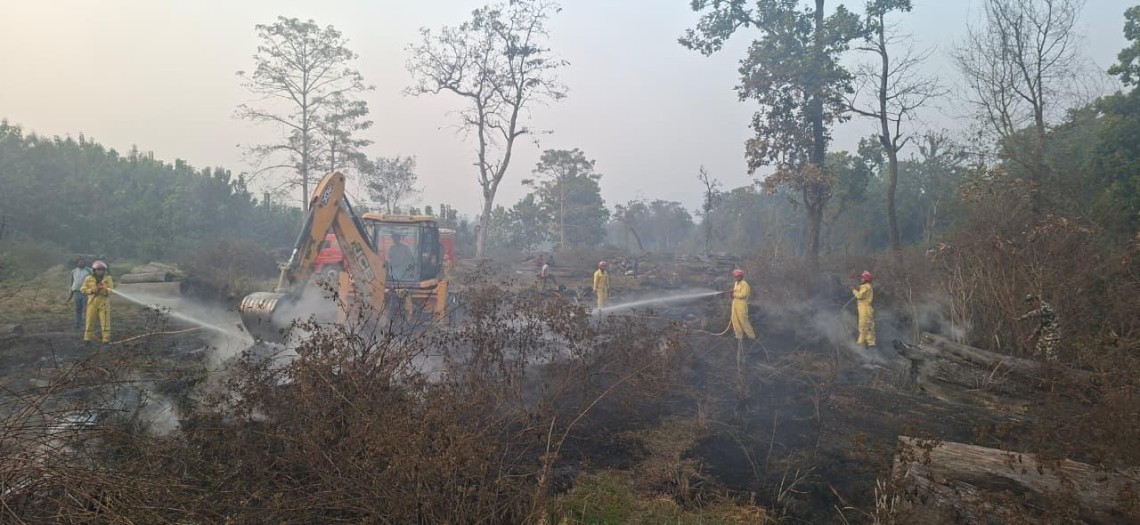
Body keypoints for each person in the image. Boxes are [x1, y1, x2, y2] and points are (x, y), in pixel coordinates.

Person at [80, 260, 113, 345]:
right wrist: (91, 290)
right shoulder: (88, 278)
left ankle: (106, 340)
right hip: (92, 302)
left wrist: (105, 289)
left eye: (102, 270)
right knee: (90, 321)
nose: (100, 271)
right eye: (98, 270)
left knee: (105, 321)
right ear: (94, 270)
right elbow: (82, 289)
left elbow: (111, 290)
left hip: (104, 302)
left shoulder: (108, 278)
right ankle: (87, 339)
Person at [1019, 294, 1060, 361]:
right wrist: (1032, 335)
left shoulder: (1046, 307)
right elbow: (1042, 324)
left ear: (1036, 300)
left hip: (1052, 337)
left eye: (1031, 303)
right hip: (1044, 336)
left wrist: (1023, 317)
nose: (1031, 305)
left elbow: (1037, 313)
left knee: (1051, 358)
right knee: (1037, 355)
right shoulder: (1042, 309)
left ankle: (1052, 370)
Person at [725, 269, 756, 341]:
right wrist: (731, 293)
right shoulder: (736, 283)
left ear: (741, 276)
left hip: (741, 305)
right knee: (735, 320)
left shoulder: (744, 284)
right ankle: (738, 336)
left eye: (738, 276)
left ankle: (751, 337)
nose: (736, 278)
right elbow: (735, 293)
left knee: (743, 320)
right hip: (735, 303)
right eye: (735, 277)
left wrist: (734, 294)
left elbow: (743, 295)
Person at [853, 270, 876, 347]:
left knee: (862, 327)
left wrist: (854, 290)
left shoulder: (865, 287)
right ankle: (871, 344)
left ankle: (860, 344)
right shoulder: (867, 286)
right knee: (869, 327)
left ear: (866, 278)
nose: (861, 279)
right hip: (867, 309)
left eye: (862, 278)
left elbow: (859, 296)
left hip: (864, 309)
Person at [66, 257, 90, 330]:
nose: (81, 263)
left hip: (86, 292)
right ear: (77, 263)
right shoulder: (73, 271)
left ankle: (88, 325)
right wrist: (70, 296)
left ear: (84, 263)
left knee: (86, 309)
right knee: (78, 309)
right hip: (76, 292)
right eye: (79, 262)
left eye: (82, 262)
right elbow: (72, 283)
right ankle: (77, 325)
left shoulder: (89, 271)